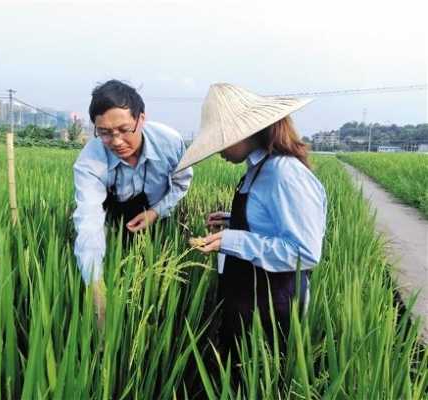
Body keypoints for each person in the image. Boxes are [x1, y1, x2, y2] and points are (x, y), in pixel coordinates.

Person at [176, 83, 327, 358]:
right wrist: (234, 221)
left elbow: (304, 252)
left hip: (274, 307)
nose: (217, 152)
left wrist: (232, 239)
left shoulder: (284, 174)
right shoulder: (258, 169)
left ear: (244, 133)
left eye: (221, 141)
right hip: (247, 298)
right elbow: (270, 225)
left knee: (261, 378)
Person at [73, 79, 193, 326]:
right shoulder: (90, 161)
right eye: (104, 132)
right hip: (114, 217)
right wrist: (95, 285)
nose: (116, 141)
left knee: (155, 274)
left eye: (124, 130)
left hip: (156, 215)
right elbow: (89, 219)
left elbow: (181, 183)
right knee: (113, 266)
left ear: (141, 119)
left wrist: (156, 213)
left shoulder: (170, 143)